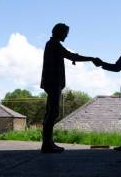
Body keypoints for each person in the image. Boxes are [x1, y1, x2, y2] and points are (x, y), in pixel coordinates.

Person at [40, 23, 98, 153]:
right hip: (53, 82)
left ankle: (48, 143)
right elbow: (71, 56)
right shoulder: (54, 44)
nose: (66, 35)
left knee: (51, 112)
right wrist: (91, 58)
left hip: (52, 82)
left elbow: (69, 55)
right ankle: (47, 145)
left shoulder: (53, 44)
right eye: (65, 33)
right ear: (59, 32)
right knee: (52, 113)